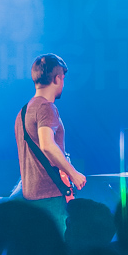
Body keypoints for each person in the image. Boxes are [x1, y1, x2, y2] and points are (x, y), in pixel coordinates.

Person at [14, 53, 86, 233]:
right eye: (62, 78)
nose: (63, 83)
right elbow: (47, 145)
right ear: (57, 78)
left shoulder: (23, 112)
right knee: (57, 253)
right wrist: (73, 173)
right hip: (50, 195)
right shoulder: (47, 107)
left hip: (30, 195)